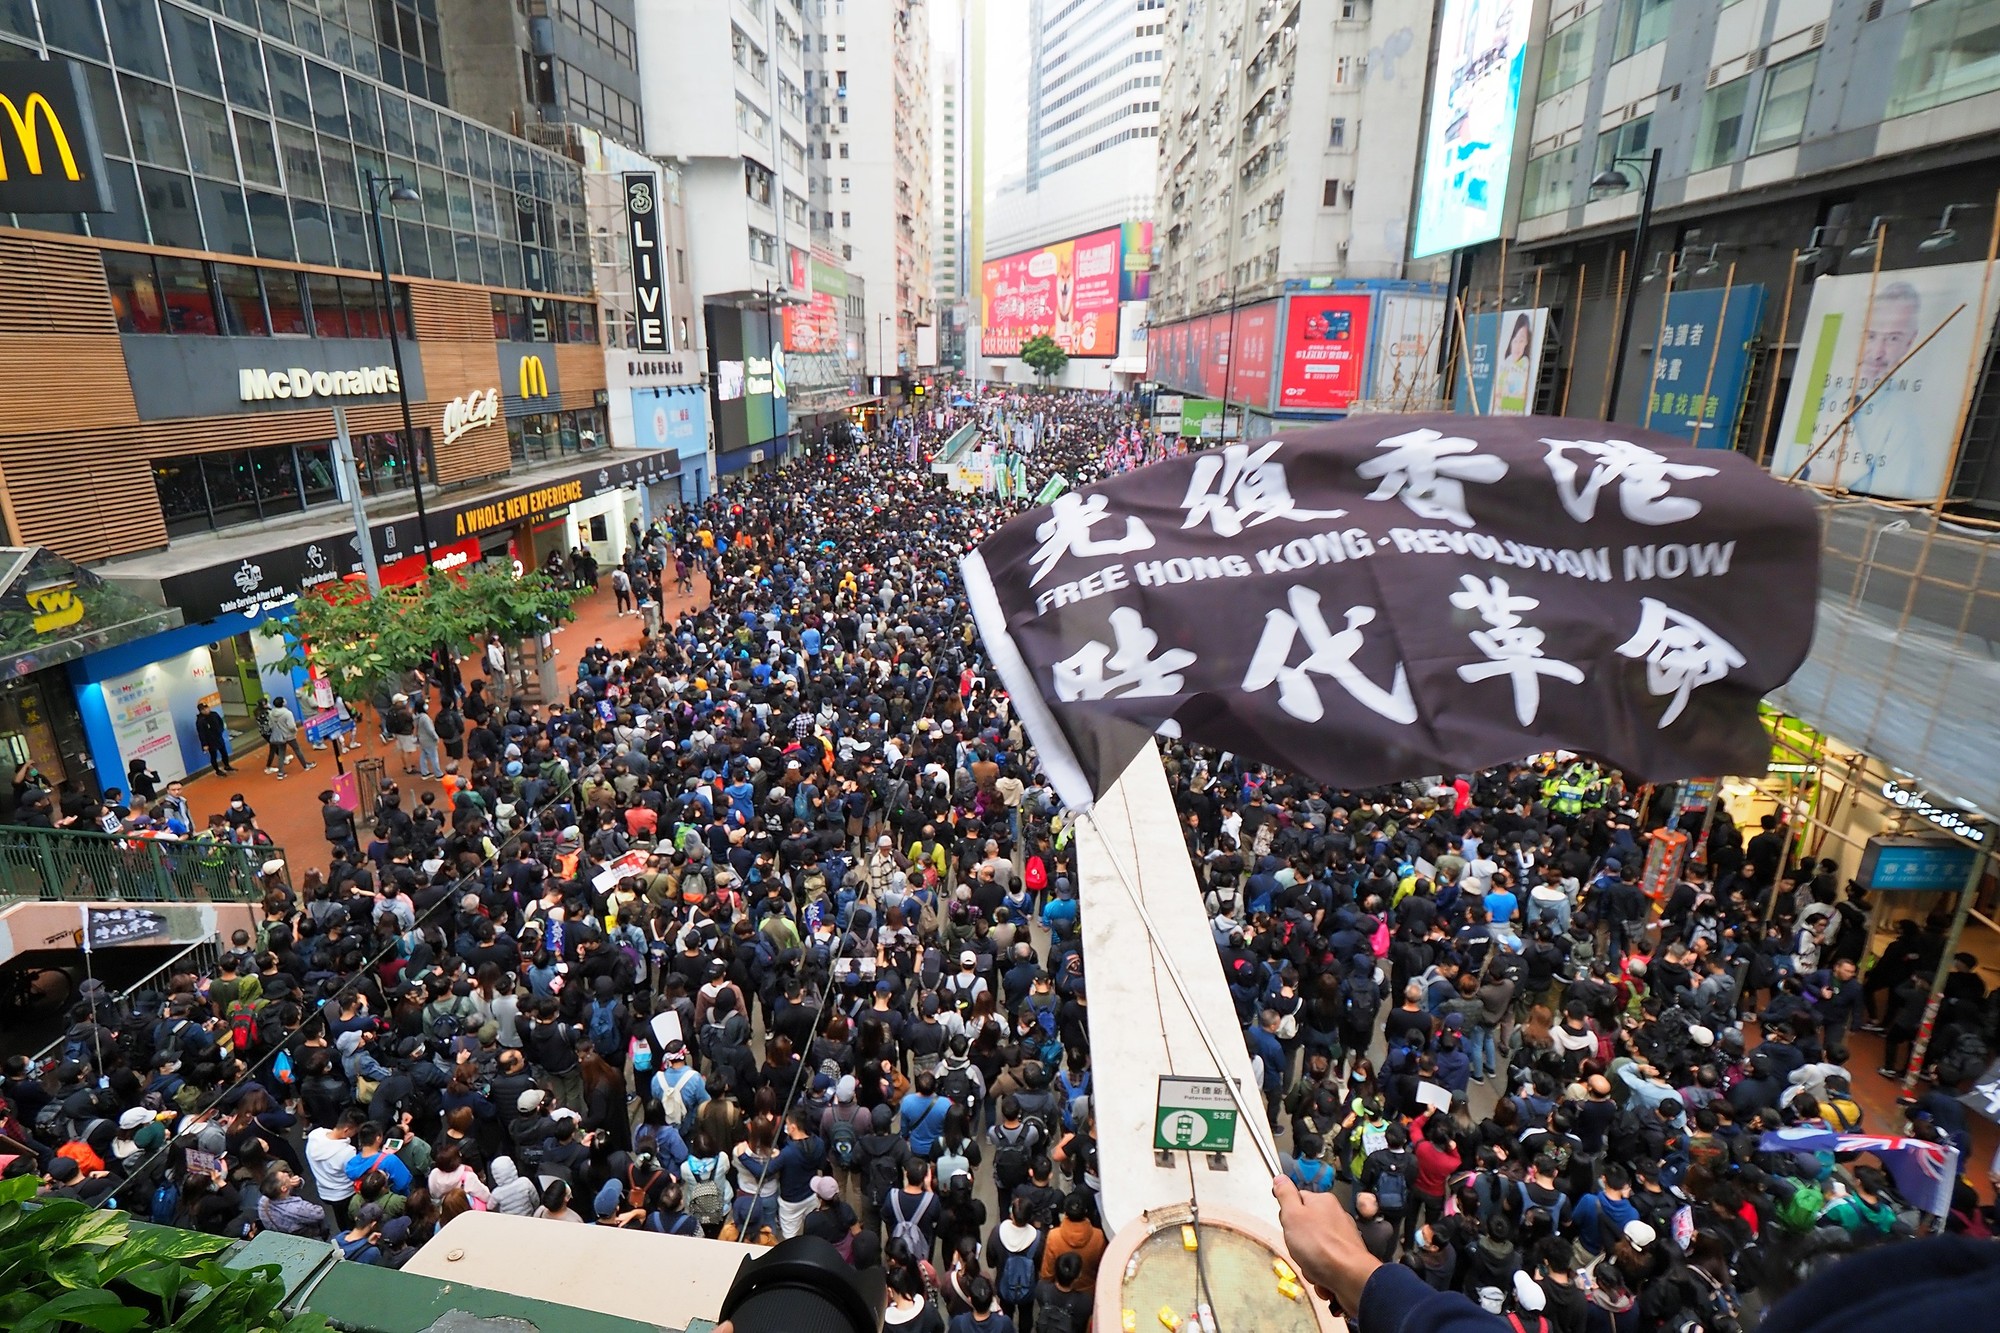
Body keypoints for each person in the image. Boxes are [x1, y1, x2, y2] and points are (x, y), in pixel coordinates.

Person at [263, 696, 313, 776]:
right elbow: (291, 726)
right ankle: (305, 765)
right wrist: (294, 731)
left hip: (280, 736)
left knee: (281, 753)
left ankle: (280, 772)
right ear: (282, 703)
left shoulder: (271, 713)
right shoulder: (287, 713)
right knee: (297, 750)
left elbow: (271, 725)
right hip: (289, 735)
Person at [195, 700, 233, 776]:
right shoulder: (200, 721)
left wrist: (220, 731)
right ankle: (217, 770)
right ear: (201, 711)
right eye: (204, 709)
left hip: (219, 738)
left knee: (224, 752)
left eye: (207, 708)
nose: (206, 710)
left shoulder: (214, 714)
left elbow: (220, 722)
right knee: (214, 756)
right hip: (210, 741)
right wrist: (204, 744)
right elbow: (201, 734)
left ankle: (227, 765)